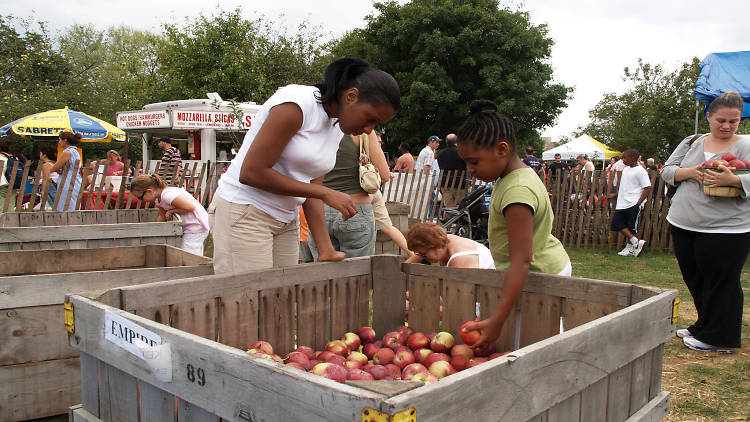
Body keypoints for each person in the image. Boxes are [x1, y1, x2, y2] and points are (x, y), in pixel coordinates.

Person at [208, 58, 400, 273]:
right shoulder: (296, 105)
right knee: (247, 299)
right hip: (245, 211)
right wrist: (325, 193)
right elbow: (252, 173)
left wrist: (325, 248)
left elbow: (311, 187)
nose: (368, 130)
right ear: (351, 96)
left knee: (283, 297)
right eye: (370, 119)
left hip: (285, 219)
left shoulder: (336, 125)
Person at [456, 99, 571, 349]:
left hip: (538, 276)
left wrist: (497, 320)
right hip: (534, 272)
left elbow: (522, 259)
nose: (470, 170)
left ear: (502, 149)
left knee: (533, 347)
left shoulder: (517, 190)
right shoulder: (512, 178)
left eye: (474, 162)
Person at [660, 92, 750, 353]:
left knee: (722, 282)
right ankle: (704, 326)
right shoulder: (692, 141)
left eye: (733, 121)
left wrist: (734, 181)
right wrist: (693, 172)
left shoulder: (746, 145)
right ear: (708, 116)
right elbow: (667, 171)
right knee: (695, 278)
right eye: (721, 120)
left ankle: (721, 338)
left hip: (727, 228)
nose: (727, 126)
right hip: (684, 223)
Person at [308, 132, 391, 259]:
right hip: (356, 208)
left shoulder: (317, 127)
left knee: (324, 273)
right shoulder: (363, 130)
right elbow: (385, 174)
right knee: (358, 273)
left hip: (319, 210)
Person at [131, 174, 209, 255]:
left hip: (196, 225)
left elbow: (190, 207)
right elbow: (162, 216)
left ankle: (192, 267)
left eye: (140, 198)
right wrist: (154, 230)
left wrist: (171, 211)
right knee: (188, 251)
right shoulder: (159, 200)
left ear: (149, 191)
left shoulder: (167, 196)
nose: (141, 200)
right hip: (189, 226)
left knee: (188, 253)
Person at [607, 149, 651, 257]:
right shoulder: (626, 170)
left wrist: (638, 203)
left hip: (633, 203)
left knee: (631, 226)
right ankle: (636, 242)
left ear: (632, 158)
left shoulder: (641, 171)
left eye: (624, 157)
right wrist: (615, 194)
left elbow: (647, 187)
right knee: (616, 224)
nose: (622, 159)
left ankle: (630, 248)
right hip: (622, 203)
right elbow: (624, 186)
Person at [405, 222, 494, 269]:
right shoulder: (443, 240)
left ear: (433, 245)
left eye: (423, 254)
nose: (421, 257)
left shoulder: (459, 259)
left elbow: (457, 295)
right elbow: (405, 266)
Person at [49, 131, 82, 211]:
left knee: (66, 202)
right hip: (75, 178)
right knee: (73, 201)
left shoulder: (67, 152)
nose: (59, 142)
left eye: (60, 140)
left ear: (65, 140)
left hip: (67, 179)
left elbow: (56, 166)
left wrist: (51, 167)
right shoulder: (75, 152)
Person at [437, 133, 468, 208]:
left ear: (446, 142)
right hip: (459, 183)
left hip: (445, 183)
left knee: (449, 206)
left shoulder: (440, 153)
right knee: (462, 206)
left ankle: (450, 218)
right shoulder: (461, 152)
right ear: (456, 142)